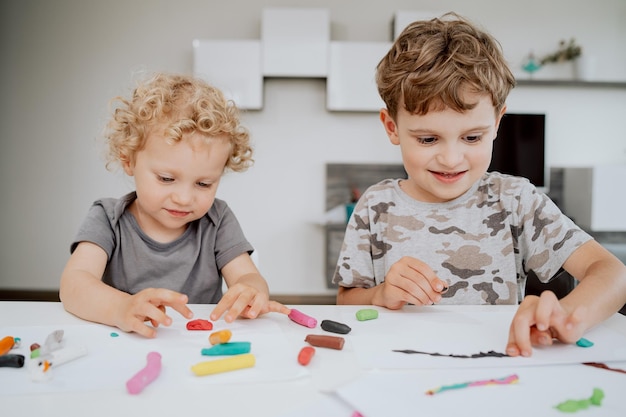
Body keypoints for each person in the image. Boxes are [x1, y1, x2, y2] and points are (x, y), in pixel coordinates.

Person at [332, 13, 626, 357]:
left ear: (497, 122)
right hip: (402, 364)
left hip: (496, 365)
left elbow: (613, 273)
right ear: (392, 126)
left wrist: (568, 316)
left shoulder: (516, 201)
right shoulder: (375, 206)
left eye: (472, 137)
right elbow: (345, 301)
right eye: (428, 139)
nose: (452, 158)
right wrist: (379, 295)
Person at [60, 73, 289, 338]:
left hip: (197, 345)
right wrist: (120, 308)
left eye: (203, 184)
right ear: (128, 160)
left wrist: (251, 290)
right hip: (126, 342)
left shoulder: (218, 219)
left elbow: (247, 278)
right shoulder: (108, 218)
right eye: (167, 179)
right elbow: (74, 284)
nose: (184, 198)